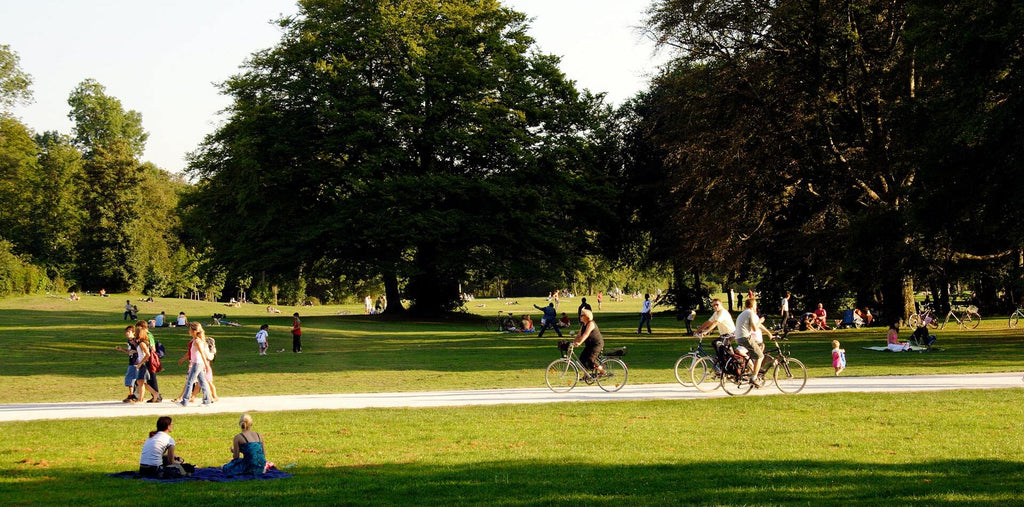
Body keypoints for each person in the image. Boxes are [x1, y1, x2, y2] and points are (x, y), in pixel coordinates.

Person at [734, 298, 773, 386]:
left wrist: (768, 333)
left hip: (739, 338)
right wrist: (761, 320)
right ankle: (754, 377)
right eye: (756, 305)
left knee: (755, 351)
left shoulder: (744, 313)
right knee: (760, 356)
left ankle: (749, 368)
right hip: (745, 338)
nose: (756, 307)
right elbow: (755, 328)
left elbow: (757, 326)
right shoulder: (750, 313)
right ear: (753, 305)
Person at [176, 322, 213, 406]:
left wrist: (206, 365)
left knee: (189, 382)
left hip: (197, 364)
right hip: (197, 363)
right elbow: (190, 353)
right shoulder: (195, 341)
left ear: (194, 331)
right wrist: (183, 359)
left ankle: (184, 401)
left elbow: (202, 353)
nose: (189, 331)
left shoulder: (197, 341)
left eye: (190, 330)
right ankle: (207, 401)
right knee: (202, 382)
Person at [572, 309, 604, 378]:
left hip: (596, 344)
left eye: (581, 315)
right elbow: (579, 335)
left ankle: (602, 371)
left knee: (590, 360)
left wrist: (579, 343)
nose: (580, 317)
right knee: (582, 359)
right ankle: (585, 375)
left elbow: (586, 334)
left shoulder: (591, 324)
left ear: (587, 316)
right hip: (589, 345)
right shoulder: (584, 324)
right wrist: (572, 342)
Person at [135, 321, 162, 403]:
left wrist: (140, 363)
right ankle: (154, 394)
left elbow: (150, 352)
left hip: (145, 362)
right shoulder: (142, 342)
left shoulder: (145, 340)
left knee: (142, 380)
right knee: (141, 381)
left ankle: (155, 394)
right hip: (144, 362)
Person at [115, 326, 141, 403]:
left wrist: (135, 350)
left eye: (129, 332)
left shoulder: (136, 340)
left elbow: (141, 350)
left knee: (133, 379)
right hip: (131, 361)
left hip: (136, 362)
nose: (127, 333)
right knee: (131, 379)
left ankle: (134, 395)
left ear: (133, 333)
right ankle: (132, 395)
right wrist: (122, 349)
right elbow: (129, 351)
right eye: (126, 332)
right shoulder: (129, 341)